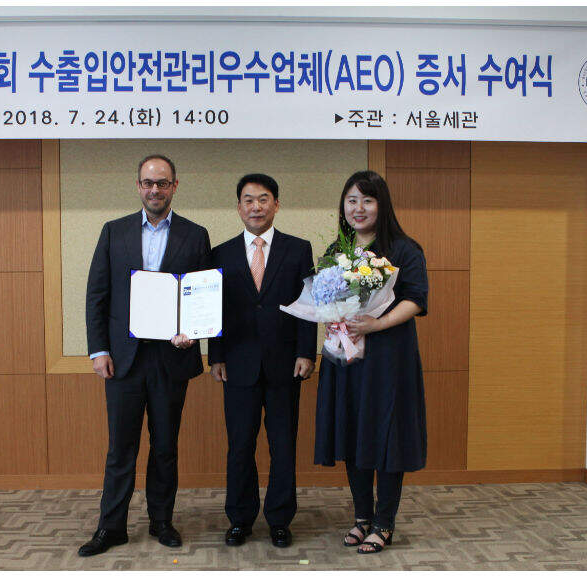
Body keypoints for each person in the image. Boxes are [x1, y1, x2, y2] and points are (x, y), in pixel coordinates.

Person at [79, 154, 211, 557]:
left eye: (163, 183)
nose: (155, 189)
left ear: (175, 186)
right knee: (121, 447)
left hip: (171, 357)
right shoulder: (113, 232)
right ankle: (112, 527)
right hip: (123, 359)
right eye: (148, 183)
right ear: (138, 186)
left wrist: (195, 331)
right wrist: (98, 350)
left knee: (166, 445)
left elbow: (204, 295)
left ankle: (161, 521)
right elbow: (97, 295)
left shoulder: (195, 234)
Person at [313, 170, 429, 554]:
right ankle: (362, 517)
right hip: (346, 357)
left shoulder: (404, 249)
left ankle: (385, 522)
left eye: (367, 200)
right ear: (342, 206)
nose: (358, 208)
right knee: (353, 431)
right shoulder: (335, 251)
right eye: (351, 200)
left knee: (387, 435)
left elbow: (415, 299)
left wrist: (377, 323)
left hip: (388, 360)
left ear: (382, 205)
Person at [208, 174, 317, 548]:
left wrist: (306, 351)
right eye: (248, 200)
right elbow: (214, 310)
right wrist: (216, 355)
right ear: (238, 207)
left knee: (283, 444)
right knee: (240, 445)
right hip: (236, 363)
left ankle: (280, 519)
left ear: (276, 205)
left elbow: (309, 304)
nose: (256, 206)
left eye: (264, 199)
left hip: (286, 363)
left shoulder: (298, 249)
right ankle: (239, 518)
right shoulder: (219, 253)